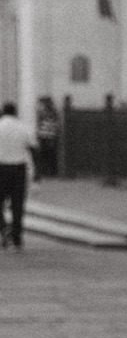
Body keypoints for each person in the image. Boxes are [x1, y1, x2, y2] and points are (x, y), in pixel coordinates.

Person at [0, 103, 36, 250]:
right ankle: (17, 237)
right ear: (16, 112)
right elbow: (33, 149)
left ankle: (4, 228)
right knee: (17, 204)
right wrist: (37, 174)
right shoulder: (24, 128)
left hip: (1, 168)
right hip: (19, 169)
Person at [34, 96, 60, 179]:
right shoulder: (47, 112)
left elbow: (54, 124)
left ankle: (51, 172)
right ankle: (46, 171)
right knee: (45, 154)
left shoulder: (52, 112)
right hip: (44, 135)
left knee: (50, 154)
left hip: (49, 135)